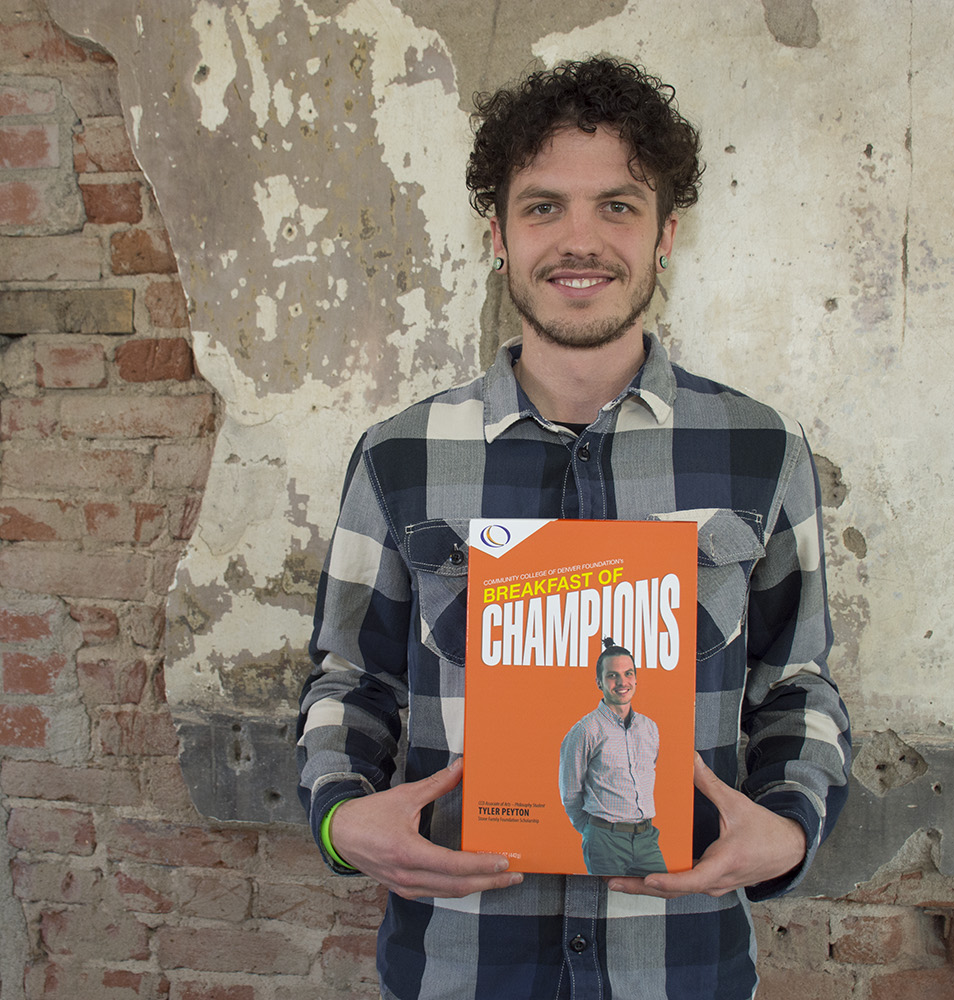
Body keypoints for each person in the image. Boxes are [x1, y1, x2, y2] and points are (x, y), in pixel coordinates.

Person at [297, 55, 851, 1000]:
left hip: (679, 966)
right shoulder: (400, 455)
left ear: (668, 233)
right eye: (544, 206)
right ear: (499, 236)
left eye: (619, 206)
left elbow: (797, 684)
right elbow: (351, 681)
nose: (580, 241)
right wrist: (340, 820)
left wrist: (792, 824)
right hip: (460, 965)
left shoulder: (762, 452)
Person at [559, 639, 666, 876]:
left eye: (628, 673)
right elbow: (570, 793)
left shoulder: (650, 728)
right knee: (608, 902)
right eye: (612, 675)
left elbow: (649, 771)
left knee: (659, 899)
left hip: (647, 838)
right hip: (605, 840)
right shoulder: (585, 731)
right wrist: (592, 831)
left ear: (636, 678)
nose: (622, 682)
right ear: (599, 682)